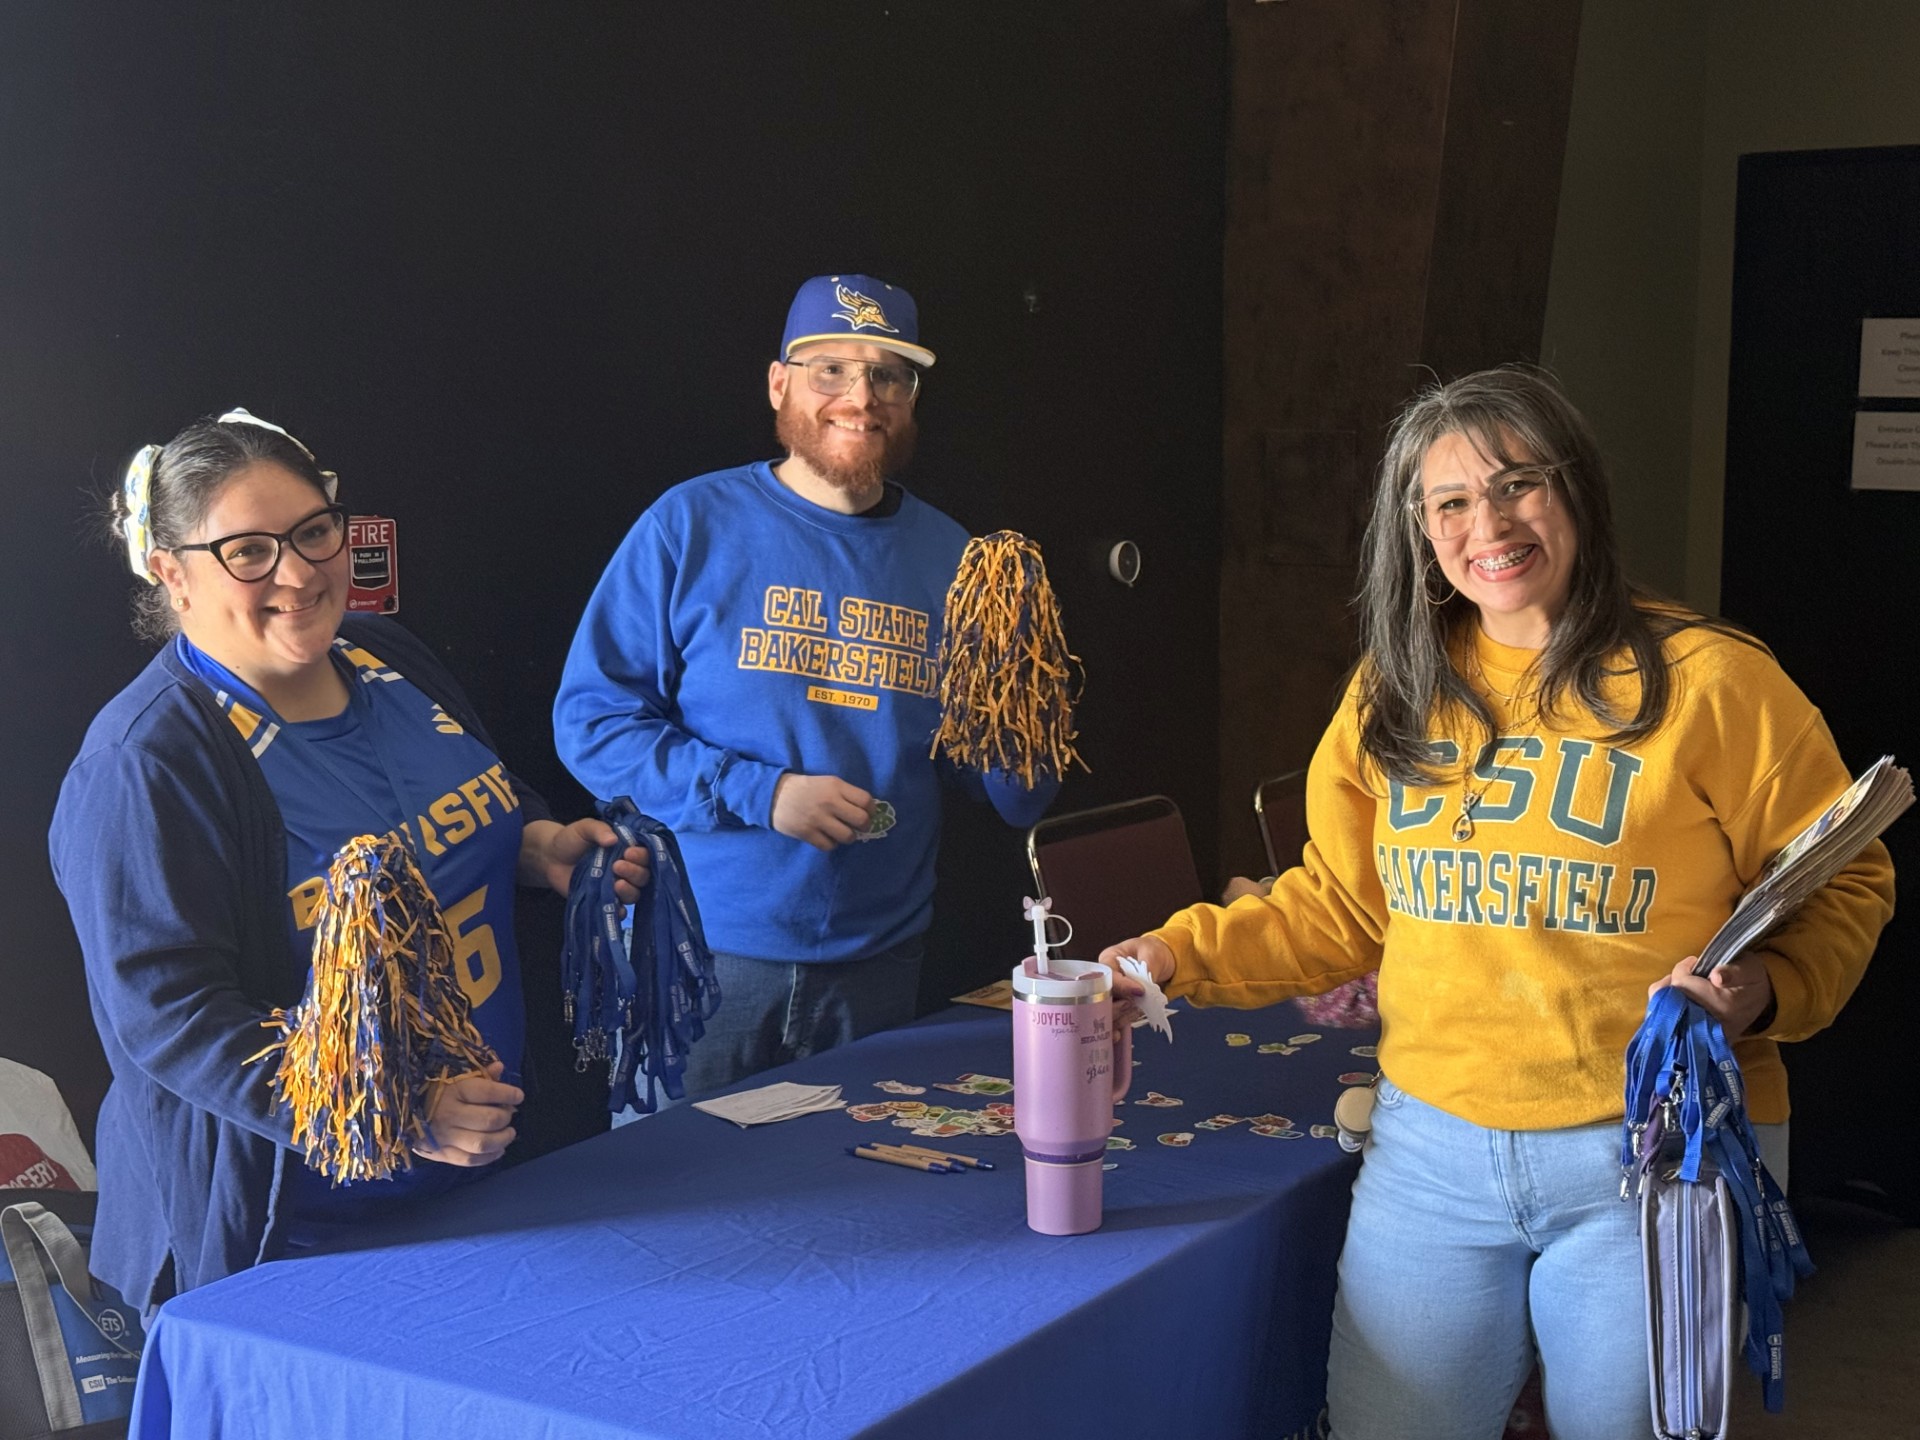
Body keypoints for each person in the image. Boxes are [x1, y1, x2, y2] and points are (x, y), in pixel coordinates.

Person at [1099, 367, 1894, 1440]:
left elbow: (1848, 872)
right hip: (1431, 1154)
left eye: (1521, 484)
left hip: (1651, 1148)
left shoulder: (1712, 681)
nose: (1492, 524)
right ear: (1421, 531)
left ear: (1578, 492)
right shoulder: (1398, 685)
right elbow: (1340, 907)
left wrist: (1768, 988)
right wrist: (1169, 956)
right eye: (1453, 503)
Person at [48, 409, 649, 1310]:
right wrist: (391, 1109)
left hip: (470, 1183)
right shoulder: (146, 763)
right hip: (293, 1235)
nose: (297, 572)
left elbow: (466, 795)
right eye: (247, 551)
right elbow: (170, 1020)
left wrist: (538, 846)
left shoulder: (381, 654)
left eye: (314, 532)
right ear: (172, 573)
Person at [554, 274, 1056, 1100]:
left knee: (847, 1212)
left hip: (880, 965)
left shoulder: (959, 561)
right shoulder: (689, 525)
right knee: (676, 1209)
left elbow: (1002, 789)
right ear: (780, 383)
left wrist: (1024, 729)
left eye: (889, 375)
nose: (862, 396)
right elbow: (593, 724)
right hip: (700, 952)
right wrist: (764, 793)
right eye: (832, 370)